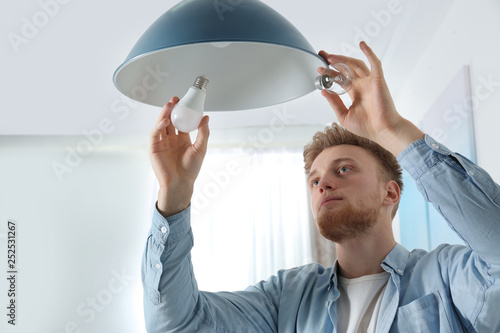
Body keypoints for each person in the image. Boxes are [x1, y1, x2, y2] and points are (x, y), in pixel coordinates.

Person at [142, 42, 500, 332]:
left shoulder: (445, 276)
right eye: (314, 179)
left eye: (344, 169)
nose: (323, 184)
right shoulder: (288, 297)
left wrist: (394, 132)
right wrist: (174, 196)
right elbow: (177, 324)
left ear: (390, 193)